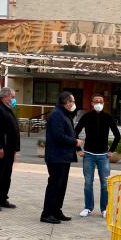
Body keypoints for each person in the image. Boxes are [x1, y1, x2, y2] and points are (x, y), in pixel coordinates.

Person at [75, 94, 121, 218]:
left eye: (101, 101)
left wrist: (111, 150)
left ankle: (104, 209)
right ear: (92, 103)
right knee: (88, 182)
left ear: (104, 103)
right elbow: (75, 132)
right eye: (96, 101)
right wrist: (78, 149)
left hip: (103, 156)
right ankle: (88, 208)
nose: (99, 103)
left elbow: (117, 135)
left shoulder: (108, 117)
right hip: (88, 155)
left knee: (105, 183)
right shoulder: (86, 117)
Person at [40, 92, 83, 224]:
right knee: (54, 185)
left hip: (63, 156)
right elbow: (58, 136)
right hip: (56, 156)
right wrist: (74, 142)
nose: (73, 104)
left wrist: (75, 145)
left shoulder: (63, 113)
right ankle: (47, 214)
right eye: (72, 101)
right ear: (66, 102)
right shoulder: (57, 114)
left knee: (61, 186)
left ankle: (56, 210)